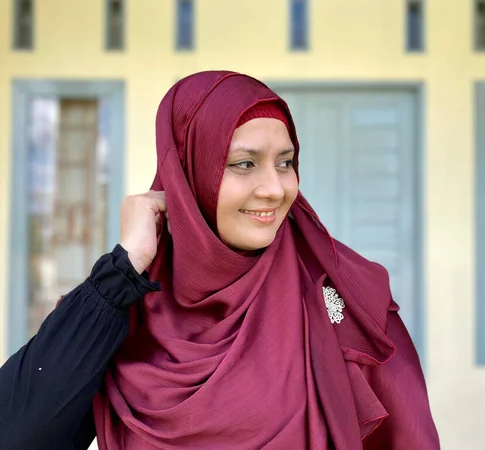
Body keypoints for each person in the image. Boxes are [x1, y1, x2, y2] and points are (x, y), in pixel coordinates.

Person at [0, 71, 440, 449]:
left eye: (285, 162)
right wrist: (124, 268)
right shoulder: (121, 311)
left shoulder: (344, 301)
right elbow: (17, 433)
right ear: (189, 174)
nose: (275, 188)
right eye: (244, 163)